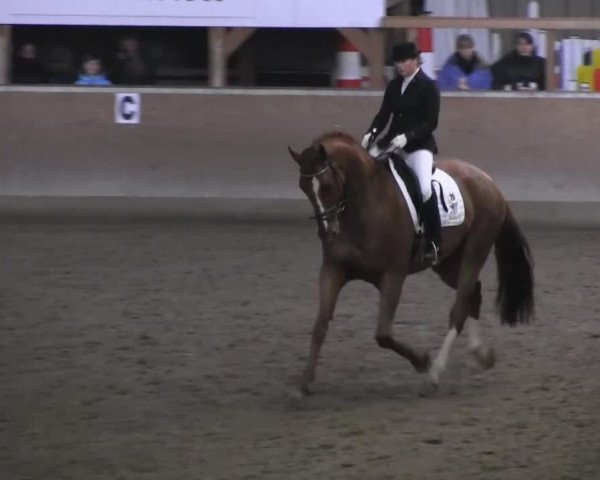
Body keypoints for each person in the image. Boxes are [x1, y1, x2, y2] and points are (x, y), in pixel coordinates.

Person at [361, 41, 441, 265]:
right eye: (397, 62)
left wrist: (408, 137)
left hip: (418, 146)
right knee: (364, 173)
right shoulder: (394, 86)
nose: (400, 66)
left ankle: (433, 241)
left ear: (416, 60)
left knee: (424, 188)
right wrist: (371, 134)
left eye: (404, 61)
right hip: (392, 143)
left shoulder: (428, 86)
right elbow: (383, 115)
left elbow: (431, 122)